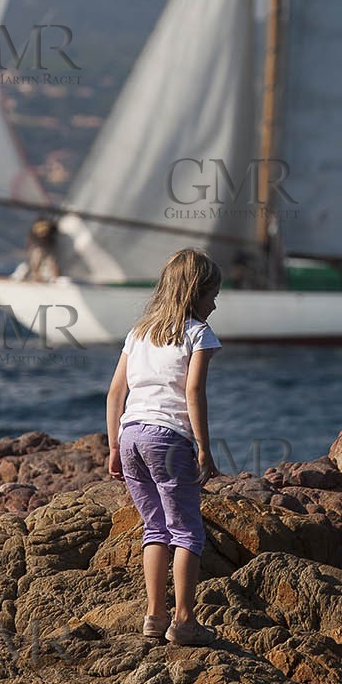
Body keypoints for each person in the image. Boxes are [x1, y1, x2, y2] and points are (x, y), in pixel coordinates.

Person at [106, 248, 221, 646]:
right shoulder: (198, 334)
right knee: (187, 531)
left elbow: (116, 392)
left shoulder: (138, 332)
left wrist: (113, 447)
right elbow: (194, 390)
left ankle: (154, 616)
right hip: (169, 439)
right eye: (212, 296)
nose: (215, 303)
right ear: (195, 293)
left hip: (131, 435)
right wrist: (204, 447)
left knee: (154, 528)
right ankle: (185, 622)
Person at [24, 217, 59, 282]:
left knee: (51, 263)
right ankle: (37, 278)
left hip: (47, 248)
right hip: (39, 247)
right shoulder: (35, 234)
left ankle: (52, 278)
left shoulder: (50, 231)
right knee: (37, 262)